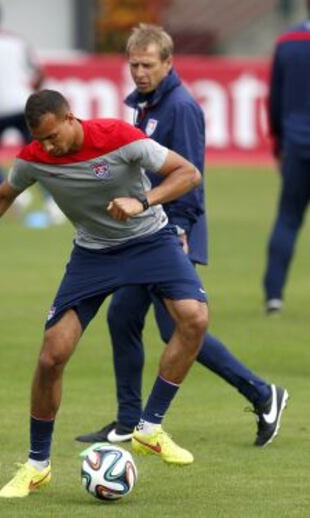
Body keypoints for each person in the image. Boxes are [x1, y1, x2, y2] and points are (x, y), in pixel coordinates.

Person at [0, 89, 209, 498]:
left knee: (194, 318)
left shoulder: (118, 137)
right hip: (93, 255)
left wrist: (142, 201)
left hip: (150, 240)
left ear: (71, 118)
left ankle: (150, 428)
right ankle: (37, 465)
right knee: (51, 355)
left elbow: (188, 173)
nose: (49, 146)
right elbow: (2, 195)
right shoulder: (35, 158)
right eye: (41, 140)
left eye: (54, 136)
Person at [76, 24, 288, 448]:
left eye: (147, 65)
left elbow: (191, 175)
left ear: (168, 63)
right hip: (144, 231)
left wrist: (182, 228)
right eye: (133, 64)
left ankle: (264, 394)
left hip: (171, 232)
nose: (138, 72)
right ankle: (127, 420)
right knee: (123, 318)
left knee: (176, 330)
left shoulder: (181, 107)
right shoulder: (143, 103)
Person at [0, 3, 65, 224]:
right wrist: (33, 93)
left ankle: (11, 191)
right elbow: (40, 72)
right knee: (38, 156)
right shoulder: (16, 40)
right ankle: (52, 203)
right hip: (24, 104)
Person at [263, 2, 310, 314]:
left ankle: (274, 295)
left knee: (288, 218)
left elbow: (274, 100)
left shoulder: (287, 41)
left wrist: (278, 144)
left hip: (296, 142)